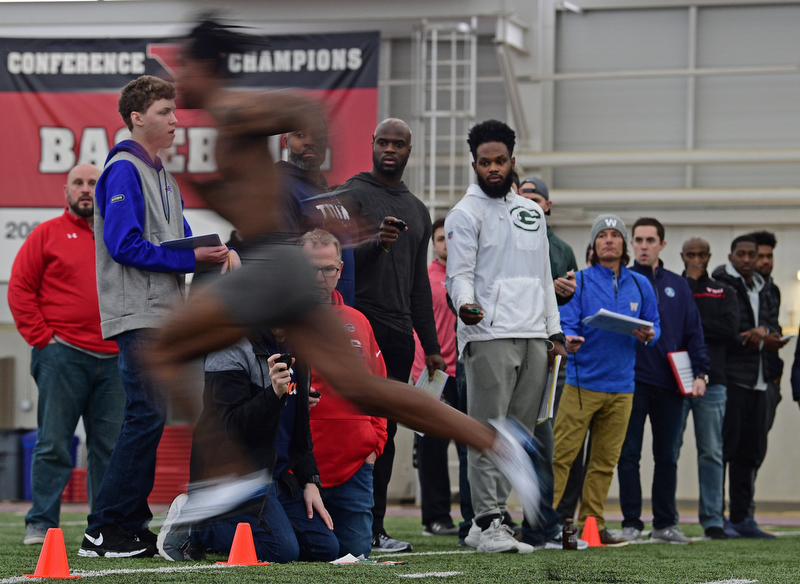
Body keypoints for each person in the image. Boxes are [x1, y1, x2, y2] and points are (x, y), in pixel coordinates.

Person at [145, 16, 541, 539]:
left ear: (202, 66)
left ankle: (229, 473)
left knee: (161, 348)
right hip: (285, 273)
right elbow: (256, 196)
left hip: (269, 267)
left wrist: (312, 174)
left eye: (179, 69)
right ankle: (498, 442)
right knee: (366, 390)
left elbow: (305, 109)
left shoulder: (232, 108)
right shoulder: (228, 121)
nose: (176, 86)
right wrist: (302, 204)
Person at [79, 75, 230, 559]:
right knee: (144, 416)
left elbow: (179, 236)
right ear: (137, 118)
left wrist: (215, 251)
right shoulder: (122, 169)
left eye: (175, 111)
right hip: (137, 312)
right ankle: (102, 530)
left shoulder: (160, 172)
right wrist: (192, 260)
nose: (175, 120)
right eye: (166, 111)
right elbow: (123, 246)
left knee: (149, 417)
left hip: (162, 314)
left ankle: (128, 523)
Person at [445, 119, 566, 554]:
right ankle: (492, 521)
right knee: (487, 432)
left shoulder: (531, 212)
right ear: (473, 164)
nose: (492, 168)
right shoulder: (465, 213)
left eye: (499, 161)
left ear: (513, 161)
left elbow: (543, 277)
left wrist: (555, 331)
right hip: (488, 334)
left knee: (516, 436)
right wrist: (465, 306)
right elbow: (458, 276)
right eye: (484, 162)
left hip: (534, 334)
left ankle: (483, 522)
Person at [338, 117, 446, 553]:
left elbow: (420, 285)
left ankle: (374, 529)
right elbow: (333, 261)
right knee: (350, 429)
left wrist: (433, 347)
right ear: (371, 143)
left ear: (409, 150)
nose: (389, 149)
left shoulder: (418, 210)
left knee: (385, 435)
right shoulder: (351, 194)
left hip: (400, 335)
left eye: (398, 143)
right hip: (358, 326)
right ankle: (345, 524)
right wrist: (375, 245)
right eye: (382, 141)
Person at [8, 164, 125, 546]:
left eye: (94, 183)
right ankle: (40, 523)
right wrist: (44, 339)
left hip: (114, 358)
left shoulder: (118, 236)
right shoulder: (46, 235)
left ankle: (103, 527)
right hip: (63, 355)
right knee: (54, 444)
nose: (86, 189)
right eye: (79, 183)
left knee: (107, 449)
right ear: (66, 191)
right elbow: (20, 289)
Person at [159, 322, 338, 563]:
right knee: (280, 550)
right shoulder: (230, 346)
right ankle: (194, 524)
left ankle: (245, 524)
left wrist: (310, 480)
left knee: (324, 549)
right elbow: (231, 427)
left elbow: (300, 429)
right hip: (235, 475)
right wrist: (273, 395)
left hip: (276, 476)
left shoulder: (298, 347)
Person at [552, 214, 660, 545]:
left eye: (615, 235)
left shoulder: (641, 284)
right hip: (581, 384)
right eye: (603, 235)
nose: (609, 240)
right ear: (594, 244)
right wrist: (568, 339)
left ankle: (593, 524)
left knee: (604, 461)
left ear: (624, 245)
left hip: (623, 387)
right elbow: (566, 321)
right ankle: (543, 520)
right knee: (562, 456)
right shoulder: (579, 281)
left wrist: (649, 334)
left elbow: (655, 325)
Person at [617, 218, 709, 544]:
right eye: (638, 240)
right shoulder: (621, 281)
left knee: (666, 456)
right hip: (629, 381)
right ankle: (630, 523)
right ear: (632, 243)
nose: (643, 245)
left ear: (662, 245)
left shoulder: (678, 286)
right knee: (628, 455)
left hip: (671, 383)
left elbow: (693, 332)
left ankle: (665, 524)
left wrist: (700, 373)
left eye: (650, 240)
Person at [301, 229, 388, 557]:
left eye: (328, 269)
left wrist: (375, 445)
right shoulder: (281, 323)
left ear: (339, 269)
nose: (320, 277)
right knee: (306, 559)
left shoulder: (358, 322)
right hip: (300, 472)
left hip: (355, 468)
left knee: (354, 558)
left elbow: (379, 389)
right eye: (310, 268)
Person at [711, 235, 784, 538]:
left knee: (751, 452)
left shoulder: (768, 288)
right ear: (731, 256)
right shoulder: (721, 284)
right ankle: (717, 517)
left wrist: (766, 331)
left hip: (761, 381)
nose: (747, 260)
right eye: (741, 254)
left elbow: (774, 325)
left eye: (752, 255)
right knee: (725, 450)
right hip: (733, 378)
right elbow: (721, 328)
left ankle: (743, 517)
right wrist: (749, 334)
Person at [677, 237, 739, 539]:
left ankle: (713, 517)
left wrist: (690, 323)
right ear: (682, 256)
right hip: (673, 380)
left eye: (702, 254)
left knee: (712, 451)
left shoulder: (723, 291)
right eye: (691, 254)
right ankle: (666, 518)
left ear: (709, 256)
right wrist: (699, 324)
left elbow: (730, 330)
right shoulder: (673, 287)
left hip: (713, 380)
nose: (697, 259)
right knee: (668, 451)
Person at [409, 218, 460, 537]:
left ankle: (476, 516)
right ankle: (436, 517)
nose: (447, 244)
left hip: (464, 372)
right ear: (434, 243)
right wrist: (419, 376)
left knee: (470, 447)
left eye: (451, 238)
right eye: (442, 238)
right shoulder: (424, 279)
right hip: (432, 374)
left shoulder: (468, 278)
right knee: (432, 451)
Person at [278, 121, 356, 305]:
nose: (310, 142)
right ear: (285, 140)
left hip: (341, 309)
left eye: (317, 135)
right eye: (300, 135)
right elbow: (279, 259)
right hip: (308, 314)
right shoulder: (282, 188)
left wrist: (378, 243)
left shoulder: (326, 191)